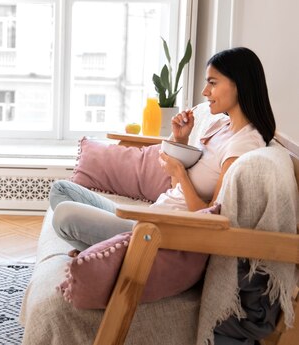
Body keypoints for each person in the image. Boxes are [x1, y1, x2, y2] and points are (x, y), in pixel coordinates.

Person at [50, 47, 276, 252]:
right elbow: (177, 189)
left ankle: (105, 251)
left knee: (64, 215)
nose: (205, 91)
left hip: (156, 233)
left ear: (239, 84)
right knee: (61, 190)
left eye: (213, 83)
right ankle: (101, 250)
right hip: (151, 216)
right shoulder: (221, 125)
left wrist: (179, 173)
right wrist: (182, 138)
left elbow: (212, 221)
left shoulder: (243, 144)